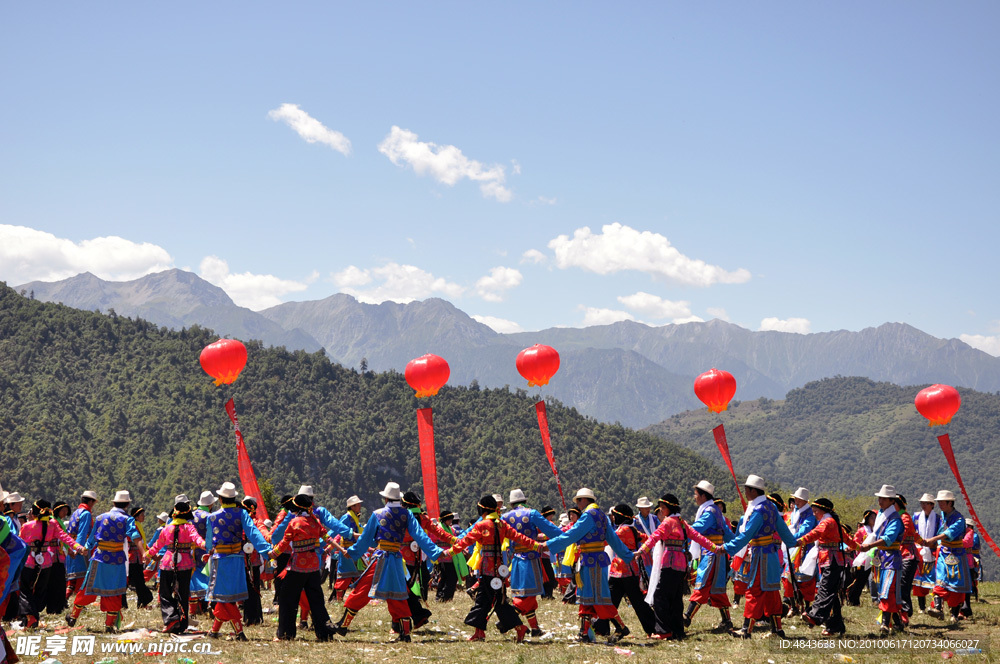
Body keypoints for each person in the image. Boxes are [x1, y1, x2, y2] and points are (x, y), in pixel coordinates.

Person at [336, 482, 445, 642]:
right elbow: (420, 535)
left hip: (380, 559)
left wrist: (352, 552)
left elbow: (367, 539)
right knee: (398, 595)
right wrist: (435, 552)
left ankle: (343, 625)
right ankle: (405, 633)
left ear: (386, 498)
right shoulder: (406, 514)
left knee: (362, 590)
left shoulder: (377, 514)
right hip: (395, 559)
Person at [446, 495, 546, 643]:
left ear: (483, 509)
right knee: (485, 599)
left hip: (487, 569)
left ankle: (519, 627)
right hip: (500, 569)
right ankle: (479, 632)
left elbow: (465, 541)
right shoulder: (502, 525)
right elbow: (519, 537)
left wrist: (449, 552)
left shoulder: (482, 525)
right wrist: (536, 545)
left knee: (496, 602)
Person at [544, 488, 636, 643]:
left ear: (586, 500)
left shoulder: (588, 516)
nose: (578, 504)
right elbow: (612, 538)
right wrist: (627, 555)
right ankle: (585, 633)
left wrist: (547, 545)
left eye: (579, 501)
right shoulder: (601, 515)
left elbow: (572, 535)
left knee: (598, 597)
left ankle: (620, 627)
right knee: (589, 597)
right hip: (596, 560)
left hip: (590, 560)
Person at [635, 494, 721, 640]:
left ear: (670, 508)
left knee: (660, 596)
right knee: (675, 598)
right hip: (681, 565)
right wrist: (715, 548)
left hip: (669, 562)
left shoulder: (667, 522)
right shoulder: (682, 523)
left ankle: (663, 631)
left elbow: (654, 537)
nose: (661, 511)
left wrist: (641, 551)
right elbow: (698, 537)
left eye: (663, 508)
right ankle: (678, 630)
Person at [722, 475, 798, 639]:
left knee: (754, 590)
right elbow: (783, 529)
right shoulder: (770, 507)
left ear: (753, 491)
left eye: (746, 490)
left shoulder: (758, 510)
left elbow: (745, 536)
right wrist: (794, 542)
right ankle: (777, 630)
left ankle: (746, 630)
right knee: (772, 592)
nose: (745, 493)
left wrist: (726, 548)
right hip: (771, 555)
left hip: (760, 555)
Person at [268, 488, 341, 641]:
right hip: (314, 565)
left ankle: (286, 634)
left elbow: (284, 543)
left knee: (287, 598)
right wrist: (341, 548)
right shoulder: (315, 521)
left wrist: (272, 554)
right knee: (316, 599)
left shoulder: (294, 523)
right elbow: (328, 538)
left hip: (297, 566)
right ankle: (324, 633)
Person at [67, 490, 146, 632]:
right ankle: (109, 625)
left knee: (88, 588)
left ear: (114, 503)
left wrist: (84, 548)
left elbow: (92, 539)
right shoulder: (128, 519)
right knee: (114, 591)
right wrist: (144, 552)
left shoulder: (100, 518)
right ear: (127, 504)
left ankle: (73, 616)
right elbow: (135, 536)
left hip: (99, 558)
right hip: (117, 560)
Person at [204, 482, 272, 641]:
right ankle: (214, 631)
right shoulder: (242, 514)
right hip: (237, 560)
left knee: (224, 597)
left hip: (220, 560)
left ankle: (239, 632)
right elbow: (254, 533)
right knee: (227, 597)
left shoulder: (212, 517)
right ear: (234, 498)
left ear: (220, 499)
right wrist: (267, 551)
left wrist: (208, 551)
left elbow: (208, 543)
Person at [500, 489, 565, 636]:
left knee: (524, 594)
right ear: (525, 501)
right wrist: (566, 539)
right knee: (528, 595)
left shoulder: (504, 517)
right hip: (531, 558)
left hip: (515, 559)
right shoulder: (532, 513)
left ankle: (535, 629)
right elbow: (553, 531)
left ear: (511, 504)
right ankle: (507, 620)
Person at [17, 500, 86, 628]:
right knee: (41, 590)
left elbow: (20, 544)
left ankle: (30, 617)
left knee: (25, 590)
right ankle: (33, 615)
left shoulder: (27, 526)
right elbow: (65, 537)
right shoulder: (53, 524)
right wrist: (78, 547)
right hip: (46, 562)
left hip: (30, 562)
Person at [591, 504, 657, 637]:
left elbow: (607, 540)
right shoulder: (631, 529)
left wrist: (589, 540)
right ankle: (601, 627)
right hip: (624, 571)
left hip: (624, 571)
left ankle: (654, 627)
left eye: (614, 515)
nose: (612, 518)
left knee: (635, 602)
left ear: (619, 516)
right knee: (611, 600)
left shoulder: (622, 531)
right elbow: (647, 538)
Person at [144, 496, 205, 634]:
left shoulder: (167, 529)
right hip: (185, 563)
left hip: (167, 562)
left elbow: (157, 545)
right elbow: (198, 540)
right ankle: (182, 624)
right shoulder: (189, 528)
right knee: (183, 593)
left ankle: (171, 619)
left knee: (165, 593)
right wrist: (207, 546)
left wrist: (147, 555)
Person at [795, 498, 855, 636]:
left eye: (816, 511)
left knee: (825, 589)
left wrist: (800, 541)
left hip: (831, 560)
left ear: (823, 511)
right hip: (831, 560)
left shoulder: (827, 522)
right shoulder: (834, 523)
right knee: (831, 592)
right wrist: (860, 548)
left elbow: (815, 533)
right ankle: (835, 625)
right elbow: (847, 539)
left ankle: (814, 615)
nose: (814, 514)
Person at [683, 481, 734, 632]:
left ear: (703, 496)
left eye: (696, 494)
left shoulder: (710, 512)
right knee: (717, 589)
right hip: (716, 554)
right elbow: (727, 532)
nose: (695, 497)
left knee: (702, 584)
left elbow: (699, 527)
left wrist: (682, 529)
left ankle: (686, 617)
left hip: (710, 554)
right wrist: (738, 543)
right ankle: (727, 621)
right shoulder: (715, 510)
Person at [857, 484, 906, 636]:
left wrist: (869, 545)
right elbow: (875, 535)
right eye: (880, 498)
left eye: (884, 499)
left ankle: (885, 624)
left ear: (892, 501)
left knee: (888, 590)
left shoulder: (895, 520)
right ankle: (897, 622)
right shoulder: (881, 515)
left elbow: (888, 539)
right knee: (884, 589)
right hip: (881, 558)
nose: (880, 501)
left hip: (891, 558)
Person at [923, 490, 971, 625]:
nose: (940, 504)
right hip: (944, 552)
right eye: (939, 502)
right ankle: (938, 608)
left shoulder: (959, 519)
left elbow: (947, 533)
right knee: (941, 577)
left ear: (950, 503)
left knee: (956, 583)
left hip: (956, 554)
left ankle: (954, 614)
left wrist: (933, 539)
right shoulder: (943, 515)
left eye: (942, 502)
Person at [786, 487, 817, 616]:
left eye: (799, 499)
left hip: (805, 549)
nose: (796, 501)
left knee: (806, 579)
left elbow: (806, 528)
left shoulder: (809, 514)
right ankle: (794, 606)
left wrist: (792, 538)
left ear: (805, 501)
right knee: (788, 577)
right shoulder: (795, 513)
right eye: (795, 499)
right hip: (794, 548)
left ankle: (807, 608)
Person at [64, 491, 98, 601]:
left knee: (72, 579)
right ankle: (79, 603)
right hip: (81, 548)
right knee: (82, 577)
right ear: (91, 501)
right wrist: (78, 548)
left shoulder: (76, 512)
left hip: (71, 545)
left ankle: (64, 601)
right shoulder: (86, 514)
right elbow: (82, 533)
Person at [332, 495, 365, 602]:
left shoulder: (355, 518)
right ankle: (338, 599)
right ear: (353, 506)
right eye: (358, 504)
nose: (360, 506)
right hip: (346, 550)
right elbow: (338, 528)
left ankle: (350, 598)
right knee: (345, 575)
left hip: (354, 550)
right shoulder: (347, 517)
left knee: (354, 575)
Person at [912, 493, 940, 612]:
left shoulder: (938, 519)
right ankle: (921, 606)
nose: (923, 505)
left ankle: (937, 605)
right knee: (919, 581)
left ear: (932, 505)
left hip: (933, 551)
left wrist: (934, 543)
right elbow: (913, 532)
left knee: (935, 579)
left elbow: (940, 533)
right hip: (920, 551)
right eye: (922, 503)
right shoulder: (916, 517)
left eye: (926, 503)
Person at [189, 491, 214, 616]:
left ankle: (193, 610)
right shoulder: (210, 516)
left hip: (190, 552)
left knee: (193, 579)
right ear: (211, 504)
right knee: (208, 577)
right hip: (205, 550)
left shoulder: (190, 515)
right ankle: (209, 604)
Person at [894, 495, 918, 625]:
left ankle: (905, 612)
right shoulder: (897, 517)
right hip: (899, 555)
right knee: (899, 585)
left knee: (903, 585)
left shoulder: (904, 518)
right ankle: (901, 612)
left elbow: (903, 534)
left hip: (908, 555)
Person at [45, 502, 71, 614]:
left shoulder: (57, 522)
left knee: (59, 580)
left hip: (58, 554)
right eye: (62, 510)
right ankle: (55, 606)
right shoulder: (54, 522)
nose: (65, 513)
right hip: (53, 554)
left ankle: (57, 605)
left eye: (66, 510)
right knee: (55, 580)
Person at [125, 507, 154, 609]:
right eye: (142, 515)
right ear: (136, 516)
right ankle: (145, 600)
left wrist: (149, 551)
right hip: (133, 556)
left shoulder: (138, 526)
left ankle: (142, 603)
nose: (144, 517)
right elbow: (137, 541)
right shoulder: (134, 526)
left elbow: (143, 542)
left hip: (136, 556)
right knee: (137, 581)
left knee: (137, 581)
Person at [433, 510, 459, 602]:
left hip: (451, 556)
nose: (451, 521)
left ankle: (442, 596)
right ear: (444, 520)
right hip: (443, 556)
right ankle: (444, 596)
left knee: (447, 577)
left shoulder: (451, 529)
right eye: (449, 520)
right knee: (449, 577)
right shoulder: (438, 529)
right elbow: (433, 540)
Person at [633, 496, 659, 578]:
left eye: (648, 507)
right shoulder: (635, 521)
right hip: (642, 549)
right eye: (645, 508)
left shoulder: (654, 519)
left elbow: (659, 530)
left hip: (654, 548)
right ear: (640, 509)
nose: (648, 509)